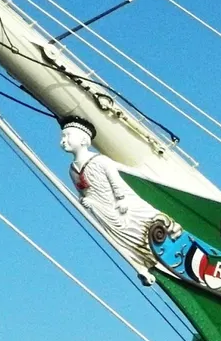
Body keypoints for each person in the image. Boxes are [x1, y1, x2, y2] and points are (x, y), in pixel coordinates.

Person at [59, 114, 161, 277]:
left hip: (120, 207)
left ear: (84, 140)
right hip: (102, 211)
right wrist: (85, 200)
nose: (63, 140)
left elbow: (115, 181)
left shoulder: (100, 161)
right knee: (119, 238)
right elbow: (82, 190)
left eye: (67, 136)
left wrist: (120, 199)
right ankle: (141, 263)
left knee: (135, 228)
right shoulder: (72, 170)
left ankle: (153, 252)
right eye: (62, 137)